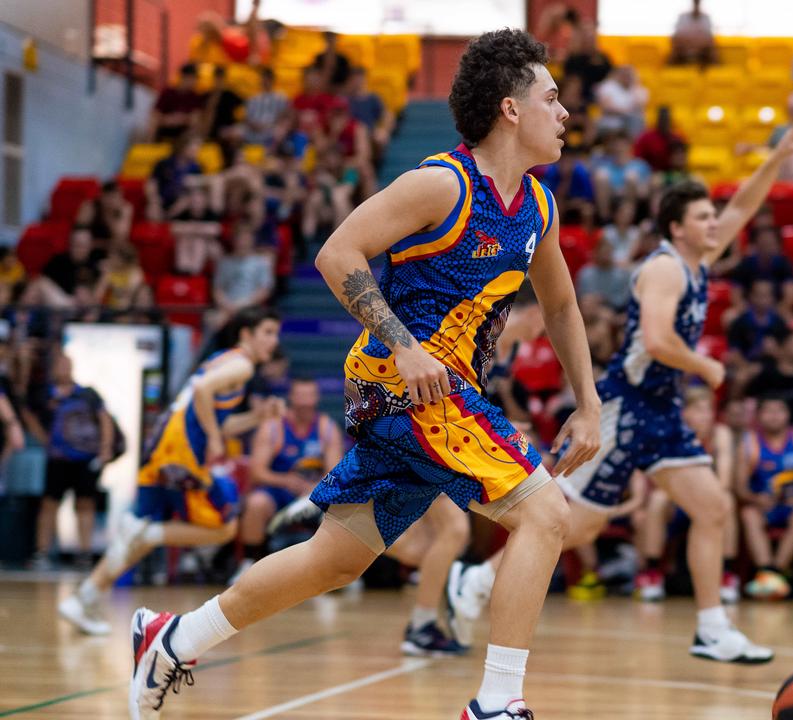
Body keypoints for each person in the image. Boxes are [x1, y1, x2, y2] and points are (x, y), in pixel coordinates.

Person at [121, 31, 603, 720]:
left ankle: (173, 637)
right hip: (408, 384)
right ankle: (496, 704)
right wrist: (404, 343)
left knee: (334, 560)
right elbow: (336, 250)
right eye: (551, 97)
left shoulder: (539, 206)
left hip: (440, 393)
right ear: (510, 110)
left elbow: (559, 304)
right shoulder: (442, 183)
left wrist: (587, 403)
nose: (564, 112)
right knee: (547, 510)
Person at [448, 126, 793, 667]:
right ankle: (478, 577)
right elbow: (660, 341)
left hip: (659, 410)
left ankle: (712, 628)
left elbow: (744, 207)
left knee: (713, 508)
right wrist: (703, 363)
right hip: (624, 407)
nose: (716, 223)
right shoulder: (663, 269)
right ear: (676, 228)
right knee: (577, 524)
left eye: (713, 217)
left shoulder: (698, 257)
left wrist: (778, 156)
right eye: (704, 218)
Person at [58, 307, 281, 638]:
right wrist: (216, 441)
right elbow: (204, 392)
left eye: (275, 334)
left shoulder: (222, 359)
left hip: (161, 448)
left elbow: (215, 415)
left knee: (136, 535)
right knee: (223, 526)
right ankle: (152, 534)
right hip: (180, 454)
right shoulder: (242, 364)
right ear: (245, 335)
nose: (273, 341)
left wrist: (256, 418)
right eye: (267, 332)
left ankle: (85, 596)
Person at [229, 377, 343, 584]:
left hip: (312, 492)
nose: (305, 403)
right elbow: (257, 472)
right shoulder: (273, 427)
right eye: (300, 397)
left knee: (341, 504)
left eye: (309, 397)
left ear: (316, 398)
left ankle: (336, 570)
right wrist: (287, 481)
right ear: (291, 398)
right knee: (256, 504)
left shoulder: (326, 428)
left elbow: (334, 473)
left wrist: (314, 487)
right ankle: (247, 563)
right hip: (278, 490)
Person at [636, 387, 742, 604]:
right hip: (675, 499)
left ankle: (726, 575)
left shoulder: (720, 434)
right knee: (657, 500)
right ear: (684, 413)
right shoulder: (671, 432)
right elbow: (660, 479)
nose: (706, 415)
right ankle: (652, 574)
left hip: (708, 499)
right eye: (699, 410)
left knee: (726, 499)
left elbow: (724, 480)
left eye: (709, 410)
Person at [27, 353, 115, 570]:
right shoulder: (45, 395)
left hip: (85, 459)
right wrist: (43, 438)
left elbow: (105, 420)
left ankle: (84, 553)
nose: (63, 368)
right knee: (49, 504)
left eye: (67, 364)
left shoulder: (87, 394)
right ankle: (42, 553)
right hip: (57, 459)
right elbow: (27, 414)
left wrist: (105, 448)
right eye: (59, 363)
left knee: (85, 504)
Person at [736, 396, 793, 600]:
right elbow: (739, 487)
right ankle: (766, 571)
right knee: (748, 514)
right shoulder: (748, 443)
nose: (774, 416)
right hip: (765, 504)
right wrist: (756, 499)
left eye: (779, 411)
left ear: (788, 415)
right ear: (758, 416)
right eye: (768, 411)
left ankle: (776, 572)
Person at [149, 63, 205, 142]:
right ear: (184, 77)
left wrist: (184, 119)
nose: (194, 82)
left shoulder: (194, 97)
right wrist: (168, 120)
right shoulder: (168, 93)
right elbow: (155, 115)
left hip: (184, 136)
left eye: (195, 79)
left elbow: (196, 118)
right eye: (192, 78)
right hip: (164, 132)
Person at [595, 65, 648, 138]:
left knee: (636, 120)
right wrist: (626, 112)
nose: (626, 77)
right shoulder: (608, 86)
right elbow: (606, 107)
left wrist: (634, 86)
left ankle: (634, 145)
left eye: (629, 75)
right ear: (618, 75)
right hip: (610, 122)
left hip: (631, 122)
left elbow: (639, 106)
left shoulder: (639, 90)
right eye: (624, 75)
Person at [243, 67, 292, 147]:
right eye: (263, 78)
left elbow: (285, 116)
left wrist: (269, 125)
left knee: (280, 132)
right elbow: (247, 119)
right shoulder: (253, 99)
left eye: (267, 79)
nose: (265, 81)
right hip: (253, 129)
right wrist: (255, 125)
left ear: (272, 80)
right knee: (232, 133)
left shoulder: (281, 98)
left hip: (273, 128)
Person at [670, 0, 716, 66]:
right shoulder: (682, 17)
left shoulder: (706, 18)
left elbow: (709, 39)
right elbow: (676, 37)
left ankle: (714, 75)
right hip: (683, 49)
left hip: (702, 51)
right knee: (673, 53)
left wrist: (698, 44)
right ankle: (669, 74)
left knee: (713, 54)